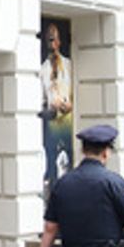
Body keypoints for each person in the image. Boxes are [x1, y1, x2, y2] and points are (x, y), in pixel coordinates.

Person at [40, 22, 74, 186]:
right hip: (53, 123)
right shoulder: (43, 69)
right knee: (52, 164)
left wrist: (71, 105)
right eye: (49, 40)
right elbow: (40, 101)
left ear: (59, 42)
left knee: (71, 161)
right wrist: (49, 108)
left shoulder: (69, 66)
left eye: (54, 39)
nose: (52, 44)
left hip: (69, 122)